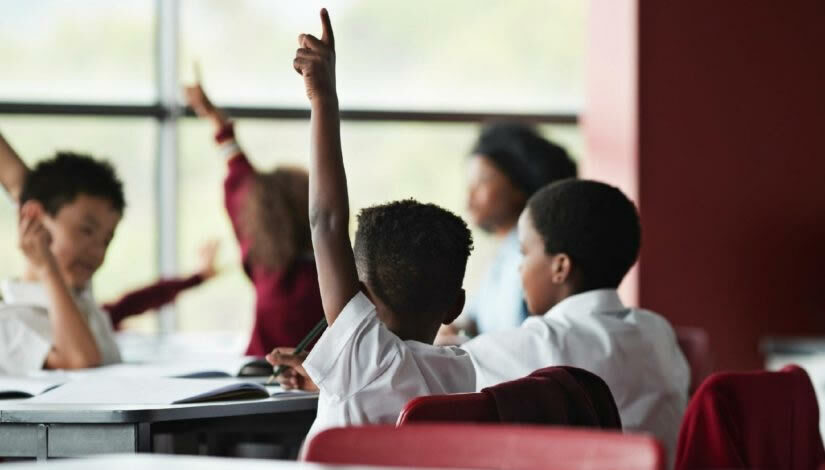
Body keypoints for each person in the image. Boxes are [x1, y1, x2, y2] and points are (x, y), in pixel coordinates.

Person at [265, 9, 476, 440]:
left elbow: (326, 221)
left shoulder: (365, 360)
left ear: (360, 297)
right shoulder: (460, 373)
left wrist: (324, 99)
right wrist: (331, 374)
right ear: (455, 305)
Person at [461, 179, 689, 465]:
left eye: (524, 253)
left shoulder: (540, 343)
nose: (519, 267)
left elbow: (433, 370)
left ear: (560, 267)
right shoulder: (658, 331)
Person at [183, 82, 325, 355]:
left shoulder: (265, 266)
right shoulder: (337, 277)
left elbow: (240, 177)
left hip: (260, 374)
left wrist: (216, 120)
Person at [0, 140, 125, 374]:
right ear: (36, 221)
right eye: (86, 230)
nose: (98, 252)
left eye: (106, 240)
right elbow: (81, 361)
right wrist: (47, 267)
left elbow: (23, 185)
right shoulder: (8, 322)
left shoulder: (80, 295)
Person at [443, 123, 577, 339]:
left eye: (482, 182)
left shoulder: (536, 258)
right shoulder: (503, 253)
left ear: (519, 186)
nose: (469, 197)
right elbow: (474, 319)